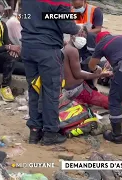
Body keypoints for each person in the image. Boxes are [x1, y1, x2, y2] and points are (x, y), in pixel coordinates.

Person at [20, 0, 83, 146]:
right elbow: (65, 25)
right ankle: (50, 133)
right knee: (51, 91)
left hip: (28, 47)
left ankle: (34, 132)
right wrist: (77, 28)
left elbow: (30, 17)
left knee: (34, 89)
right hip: (47, 50)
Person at [62, 29, 122, 109]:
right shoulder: (73, 50)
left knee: (100, 99)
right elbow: (78, 74)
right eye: (79, 35)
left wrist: (100, 74)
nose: (82, 38)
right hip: (77, 91)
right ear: (71, 35)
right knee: (112, 103)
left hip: (73, 89)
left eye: (84, 36)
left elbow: (76, 72)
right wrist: (98, 74)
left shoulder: (66, 48)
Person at [0, 2, 20, 102]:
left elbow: (7, 42)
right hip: (0, 58)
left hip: (1, 58)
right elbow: (7, 46)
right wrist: (8, 47)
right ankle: (4, 87)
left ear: (2, 14)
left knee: (22, 59)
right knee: (9, 58)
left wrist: (12, 49)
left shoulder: (2, 25)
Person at [5, 0, 24, 76]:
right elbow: (23, 48)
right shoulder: (14, 22)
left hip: (20, 56)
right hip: (14, 57)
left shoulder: (27, 21)